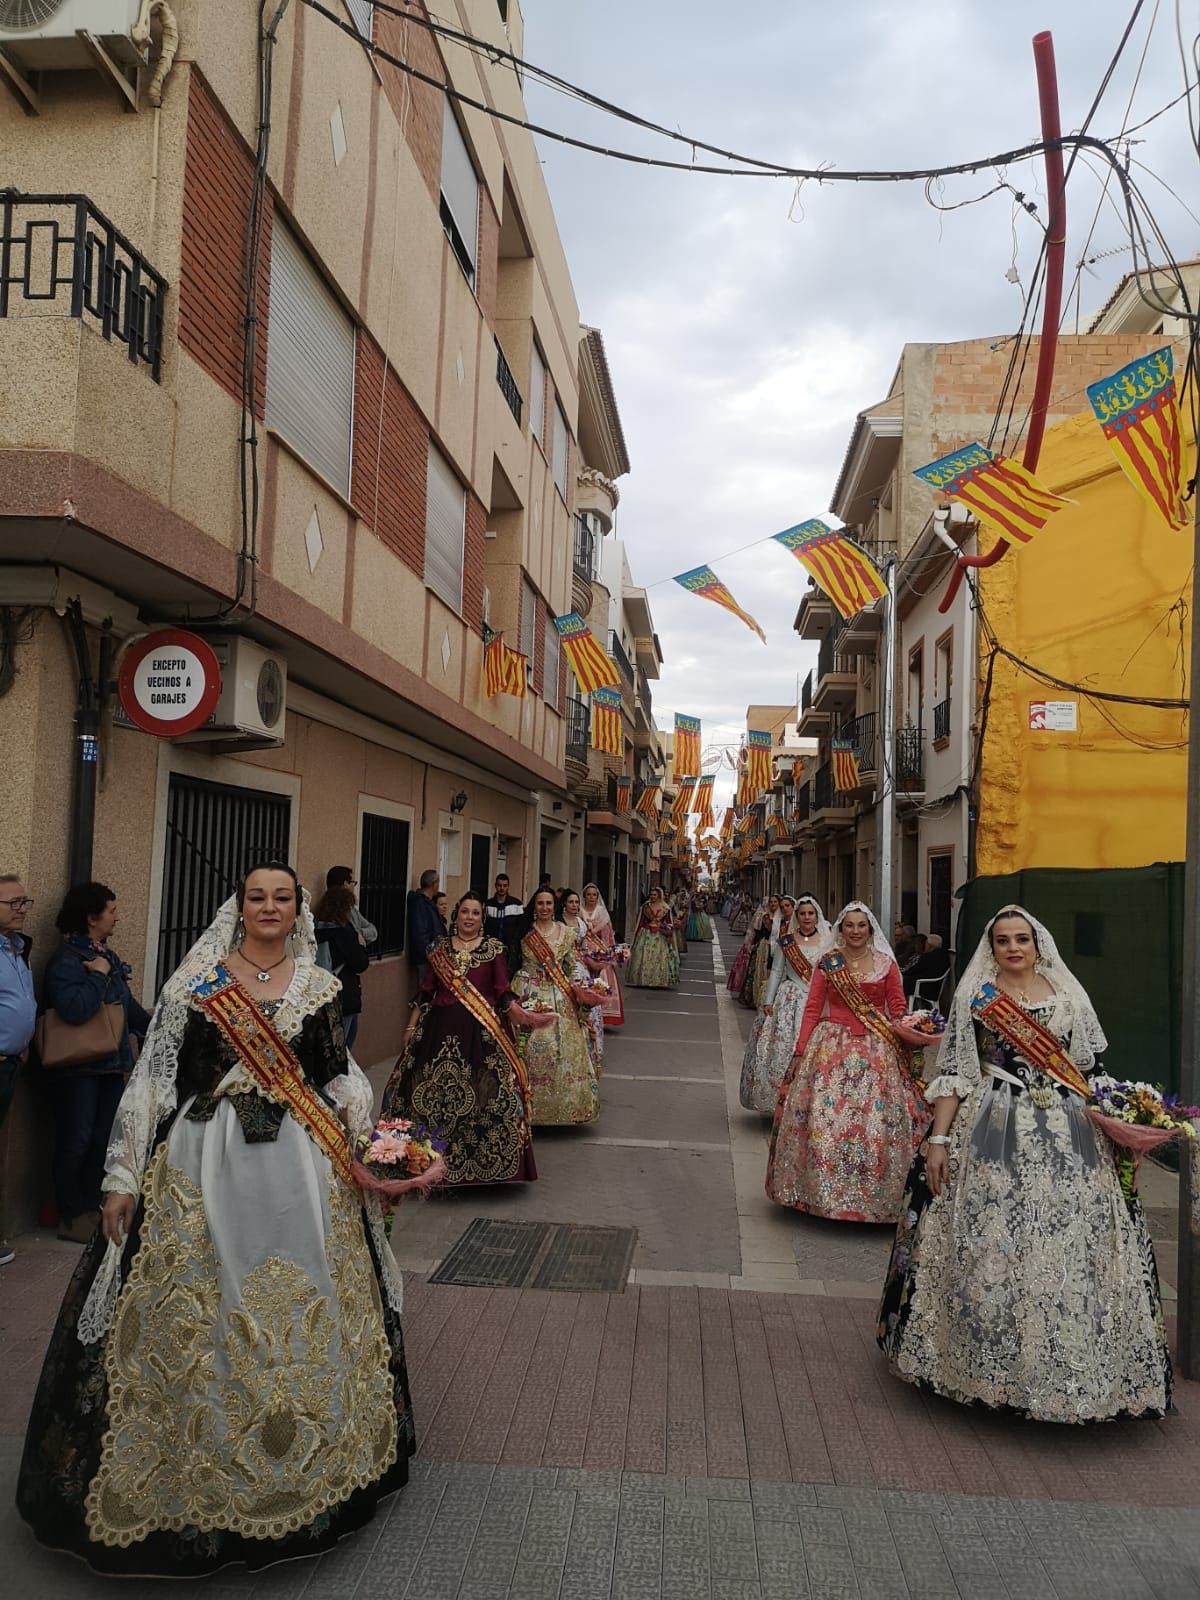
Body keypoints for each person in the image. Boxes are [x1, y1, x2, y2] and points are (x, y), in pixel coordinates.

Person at [17, 863, 413, 1575]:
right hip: (202, 1167)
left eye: (281, 898)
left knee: (298, 1310)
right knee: (198, 1312)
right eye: (256, 896)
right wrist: (121, 1176)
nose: (268, 907)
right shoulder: (195, 987)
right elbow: (152, 1080)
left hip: (300, 1173)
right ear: (240, 906)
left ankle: (310, 1468)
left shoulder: (319, 987)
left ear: (298, 910)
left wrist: (372, 1142)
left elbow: (338, 1073)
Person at [878, 905, 1172, 1422]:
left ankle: (1068, 1366)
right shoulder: (977, 997)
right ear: (990, 948)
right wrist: (939, 1140)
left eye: (1022, 939)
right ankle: (984, 1364)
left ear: (1039, 944)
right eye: (1002, 940)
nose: (1013, 948)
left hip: (1068, 1129)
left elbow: (1091, 1072)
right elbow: (955, 1074)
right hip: (992, 1123)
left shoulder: (1070, 995)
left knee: (1073, 1244)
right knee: (991, 1240)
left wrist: (1124, 1127)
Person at [766, 902, 927, 1223]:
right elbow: (813, 1008)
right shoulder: (828, 963)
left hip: (876, 1051)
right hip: (830, 1050)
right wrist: (800, 1052)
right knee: (826, 1121)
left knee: (875, 1123)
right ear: (840, 929)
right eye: (849, 925)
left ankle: (873, 1197)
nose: (855, 931)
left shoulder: (886, 964)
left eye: (861, 926)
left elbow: (896, 1007)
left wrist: (914, 1032)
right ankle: (822, 1193)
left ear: (870, 930)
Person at [383, 891, 550, 1183]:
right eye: (465, 912)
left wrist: (520, 1014)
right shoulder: (439, 948)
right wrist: (410, 1028)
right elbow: (426, 990)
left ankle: (479, 1169)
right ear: (455, 915)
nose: (469, 918)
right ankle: (420, 1162)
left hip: (480, 1035)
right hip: (437, 1032)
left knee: (485, 1096)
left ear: (481, 919)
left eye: (475, 913)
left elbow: (501, 989)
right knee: (424, 1095)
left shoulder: (493, 949)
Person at [41, 882, 151, 1245]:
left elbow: (126, 1009)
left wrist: (161, 1032)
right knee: (77, 1140)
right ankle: (70, 1215)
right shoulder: (69, 960)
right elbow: (74, 1009)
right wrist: (99, 974)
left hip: (108, 1065)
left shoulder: (105, 956)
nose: (117, 917)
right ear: (92, 917)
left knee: (103, 1141)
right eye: (112, 910)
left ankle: (91, 1210)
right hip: (77, 1069)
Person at [514, 887, 602, 1125]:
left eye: (549, 904)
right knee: (528, 1047)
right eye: (540, 903)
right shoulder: (523, 932)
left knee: (563, 1050)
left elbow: (572, 965)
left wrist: (579, 988)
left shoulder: (565, 932)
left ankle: (564, 1108)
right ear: (534, 906)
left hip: (559, 996)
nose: (544, 908)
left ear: (555, 906)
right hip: (528, 992)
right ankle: (526, 1108)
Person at [739, 895, 831, 1114]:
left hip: (818, 1000)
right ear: (796, 917)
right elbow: (778, 971)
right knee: (784, 1048)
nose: (807, 917)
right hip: (790, 999)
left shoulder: (828, 942)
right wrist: (768, 1000)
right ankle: (781, 1101)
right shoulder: (787, 941)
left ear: (816, 916)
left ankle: (810, 1104)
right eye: (803, 914)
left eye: (810, 913)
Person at [0, 874, 36, 1266]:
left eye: (24, 902)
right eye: (12, 903)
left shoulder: (16, 949)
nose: (21, 910)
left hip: (11, 1064)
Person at [312, 883, 371, 1052]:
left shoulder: (314, 928)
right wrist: (361, 945)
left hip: (319, 994)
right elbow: (360, 963)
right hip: (343, 995)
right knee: (342, 1047)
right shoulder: (345, 932)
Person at [559, 888, 604, 1077]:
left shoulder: (581, 923)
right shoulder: (558, 924)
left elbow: (585, 947)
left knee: (589, 1008)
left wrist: (595, 961)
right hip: (563, 968)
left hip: (582, 968)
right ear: (564, 904)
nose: (574, 905)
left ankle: (589, 1048)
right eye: (571, 902)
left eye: (577, 902)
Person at [581, 882, 625, 1029]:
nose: (591, 897)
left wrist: (608, 953)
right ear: (584, 896)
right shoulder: (579, 912)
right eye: (588, 894)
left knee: (602, 980)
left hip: (599, 951)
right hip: (582, 950)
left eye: (594, 895)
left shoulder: (602, 912)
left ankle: (604, 1015)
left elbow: (607, 934)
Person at [626, 887, 679, 990]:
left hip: (659, 936)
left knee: (659, 957)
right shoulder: (645, 907)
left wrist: (665, 928)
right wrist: (636, 935)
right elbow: (640, 922)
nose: (652, 897)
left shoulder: (665, 908)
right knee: (643, 956)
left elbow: (669, 923)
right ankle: (643, 979)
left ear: (659, 896)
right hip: (646, 933)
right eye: (651, 895)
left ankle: (657, 980)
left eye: (655, 895)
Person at [743, 893, 781, 1009]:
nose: (773, 904)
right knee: (762, 971)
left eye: (775, 902)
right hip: (766, 946)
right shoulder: (765, 916)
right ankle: (759, 997)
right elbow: (763, 931)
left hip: (779, 947)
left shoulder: (783, 917)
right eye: (771, 902)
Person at [325, 865, 378, 948]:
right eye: (353, 882)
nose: (354, 886)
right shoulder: (332, 909)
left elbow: (373, 931)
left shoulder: (351, 908)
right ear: (346, 884)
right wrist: (356, 935)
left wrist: (359, 933)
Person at [484, 872, 527, 973]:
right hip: (492, 949)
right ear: (495, 886)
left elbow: (521, 926)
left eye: (505, 885)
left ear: (508, 886)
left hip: (511, 950)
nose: (502, 888)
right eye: (499, 885)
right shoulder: (488, 905)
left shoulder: (516, 904)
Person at [405, 868, 442, 985]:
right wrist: (430, 954)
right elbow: (420, 933)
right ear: (434, 885)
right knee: (426, 989)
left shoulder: (426, 903)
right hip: (427, 958)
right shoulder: (420, 904)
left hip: (433, 956)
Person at [903, 931, 952, 1002]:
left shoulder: (928, 957)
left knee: (903, 980)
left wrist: (903, 973)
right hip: (935, 986)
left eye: (926, 944)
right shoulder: (944, 956)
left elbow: (915, 969)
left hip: (925, 987)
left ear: (930, 946)